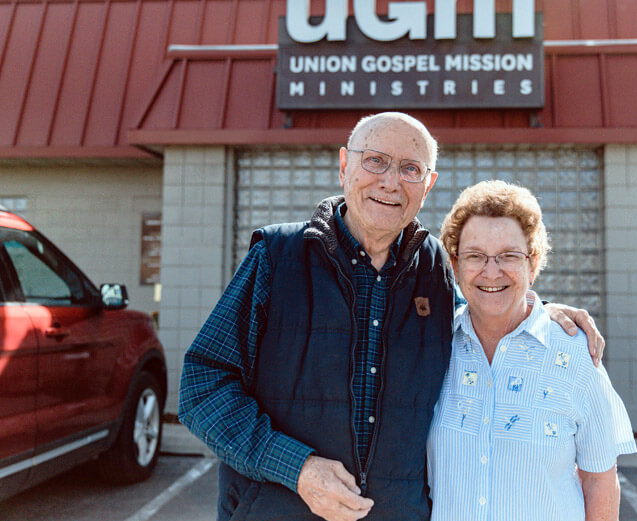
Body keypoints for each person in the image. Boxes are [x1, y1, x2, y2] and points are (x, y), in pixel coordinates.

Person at [178, 112, 606, 521]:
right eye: (376, 161)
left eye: (409, 168)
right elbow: (201, 387)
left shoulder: (436, 267)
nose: (390, 181)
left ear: (428, 184)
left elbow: (482, 308)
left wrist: (536, 310)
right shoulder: (276, 257)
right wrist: (297, 468)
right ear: (344, 165)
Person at [428, 180, 636, 521]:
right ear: (455, 265)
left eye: (509, 256)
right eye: (475, 256)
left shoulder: (576, 356)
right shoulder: (433, 348)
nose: (491, 271)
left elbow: (599, 482)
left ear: (533, 263)